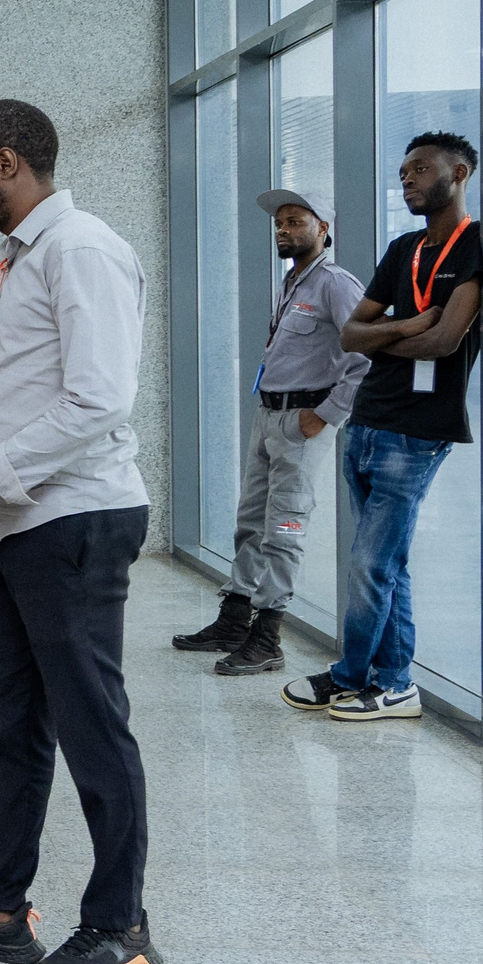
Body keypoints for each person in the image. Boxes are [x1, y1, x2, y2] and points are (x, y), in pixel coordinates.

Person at [0, 99, 159, 964]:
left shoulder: (81, 247)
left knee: (92, 726)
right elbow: (21, 388)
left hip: (76, 520)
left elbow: (99, 398)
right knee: (14, 726)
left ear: (7, 162)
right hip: (24, 521)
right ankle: (1, 907)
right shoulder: (24, 255)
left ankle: (121, 923)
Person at [283, 132, 483, 722]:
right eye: (403, 173)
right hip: (368, 420)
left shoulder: (476, 246)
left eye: (420, 169)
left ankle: (353, 676)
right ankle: (395, 683)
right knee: (386, 563)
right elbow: (351, 335)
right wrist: (409, 325)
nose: (408, 180)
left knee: (371, 564)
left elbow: (446, 342)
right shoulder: (404, 249)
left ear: (459, 174)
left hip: (419, 430)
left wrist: (390, 332)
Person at [174, 188, 368, 675]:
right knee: (251, 522)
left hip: (303, 421)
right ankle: (234, 619)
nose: (283, 229)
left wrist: (326, 414)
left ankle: (268, 638)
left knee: (284, 527)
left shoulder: (336, 284)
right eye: (280, 222)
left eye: (295, 221)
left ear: (323, 227)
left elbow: (367, 358)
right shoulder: (293, 282)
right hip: (269, 416)